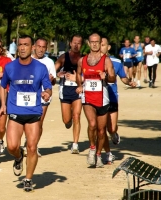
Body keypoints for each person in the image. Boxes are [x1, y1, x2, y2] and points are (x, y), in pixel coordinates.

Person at [0, 35, 52, 192]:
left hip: (34, 111)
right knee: (12, 146)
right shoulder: (10, 67)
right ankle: (18, 156)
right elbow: (3, 86)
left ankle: (28, 179)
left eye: (26, 45)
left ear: (32, 47)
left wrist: (47, 93)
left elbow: (47, 87)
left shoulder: (40, 68)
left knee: (32, 147)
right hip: (15, 110)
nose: (22, 48)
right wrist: (3, 104)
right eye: (20, 45)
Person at [75, 33, 116, 168]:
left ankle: (99, 154)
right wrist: (80, 85)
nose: (94, 44)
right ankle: (92, 148)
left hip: (102, 98)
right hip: (87, 97)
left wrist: (106, 77)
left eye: (97, 42)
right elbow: (78, 74)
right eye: (92, 42)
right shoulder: (82, 60)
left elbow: (113, 78)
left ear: (100, 43)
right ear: (88, 43)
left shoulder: (106, 60)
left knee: (101, 130)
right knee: (92, 124)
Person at [100, 37, 136, 164]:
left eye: (103, 45)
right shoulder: (91, 61)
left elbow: (123, 78)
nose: (100, 47)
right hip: (98, 99)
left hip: (112, 97)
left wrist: (129, 82)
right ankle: (108, 154)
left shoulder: (116, 62)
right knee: (101, 128)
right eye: (99, 44)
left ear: (108, 47)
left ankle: (114, 134)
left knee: (111, 128)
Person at [26, 38, 56, 157]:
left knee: (38, 122)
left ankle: (34, 146)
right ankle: (28, 142)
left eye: (43, 47)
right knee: (27, 122)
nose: (41, 49)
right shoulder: (27, 60)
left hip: (44, 96)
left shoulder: (49, 62)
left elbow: (52, 83)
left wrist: (52, 80)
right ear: (34, 47)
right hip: (28, 96)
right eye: (39, 46)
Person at [54, 35, 83, 154]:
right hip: (65, 90)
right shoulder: (63, 57)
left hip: (78, 90)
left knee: (77, 116)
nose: (76, 45)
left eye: (79, 43)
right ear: (70, 43)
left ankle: (75, 144)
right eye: (74, 43)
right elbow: (52, 71)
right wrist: (58, 74)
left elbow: (89, 76)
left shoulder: (83, 59)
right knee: (66, 120)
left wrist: (76, 78)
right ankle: (68, 119)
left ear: (81, 45)